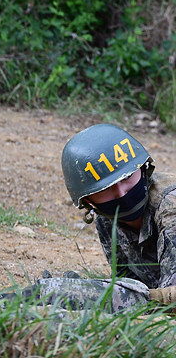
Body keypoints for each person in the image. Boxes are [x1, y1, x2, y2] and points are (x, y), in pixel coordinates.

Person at [61, 123, 176, 291]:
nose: (121, 193)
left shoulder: (171, 204)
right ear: (87, 200)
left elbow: (170, 298)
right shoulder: (106, 220)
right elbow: (127, 283)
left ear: (143, 168)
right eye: (105, 188)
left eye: (127, 176)